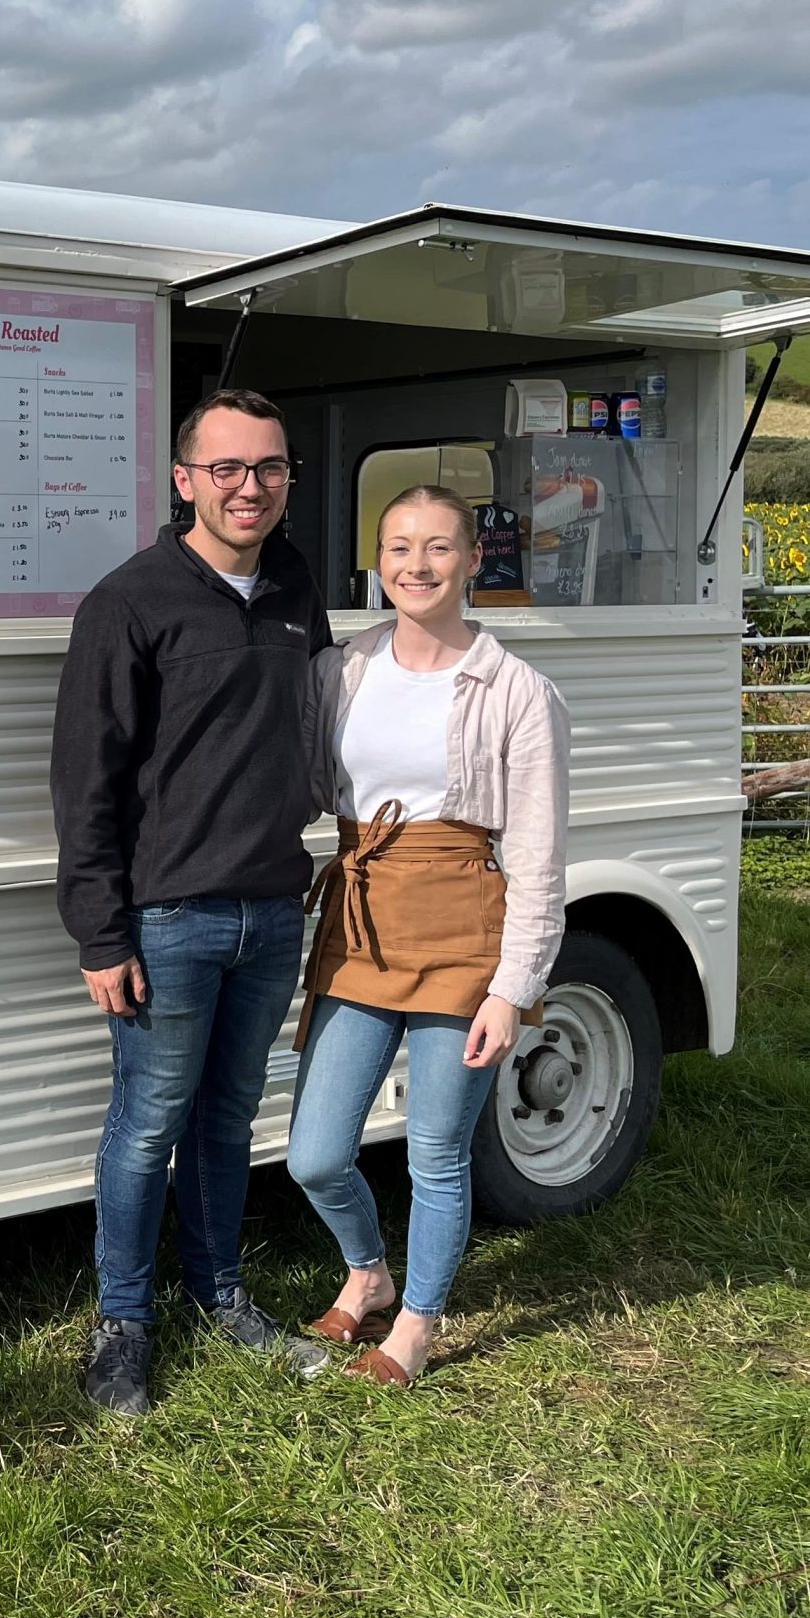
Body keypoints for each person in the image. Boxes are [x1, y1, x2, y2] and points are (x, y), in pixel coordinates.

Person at [52, 387, 337, 1415]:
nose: (249, 487)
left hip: (271, 907)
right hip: (169, 919)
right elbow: (84, 780)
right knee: (145, 1124)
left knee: (227, 1120)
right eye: (226, 469)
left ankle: (219, 1293)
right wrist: (99, 932)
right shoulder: (128, 604)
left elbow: (316, 725)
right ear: (184, 482)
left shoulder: (297, 588)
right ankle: (123, 1327)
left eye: (268, 467)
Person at [286, 484, 570, 1386]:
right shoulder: (342, 671)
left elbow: (539, 855)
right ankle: (367, 1272)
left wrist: (512, 987)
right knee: (316, 1153)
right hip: (360, 923)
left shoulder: (518, 690)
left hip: (463, 936)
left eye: (439, 548)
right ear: (379, 561)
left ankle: (416, 1322)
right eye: (400, 547)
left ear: (471, 560)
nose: (418, 565)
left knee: (435, 1152)